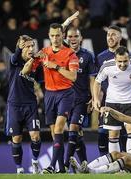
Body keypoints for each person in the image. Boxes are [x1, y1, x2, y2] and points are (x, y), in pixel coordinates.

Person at [31, 23, 79, 174]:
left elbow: (73, 77)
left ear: (62, 36)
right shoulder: (44, 51)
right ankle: (62, 169)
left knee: (59, 128)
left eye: (58, 35)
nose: (55, 38)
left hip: (65, 94)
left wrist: (56, 67)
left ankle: (51, 166)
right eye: (52, 35)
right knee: (55, 134)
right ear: (49, 36)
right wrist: (31, 58)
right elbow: (31, 67)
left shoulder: (70, 54)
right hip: (49, 94)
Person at [93, 46, 131, 156]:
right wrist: (95, 98)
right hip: (112, 103)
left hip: (130, 102)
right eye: (119, 61)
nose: (122, 64)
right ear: (115, 59)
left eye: (125, 61)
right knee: (113, 134)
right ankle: (115, 165)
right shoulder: (107, 66)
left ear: (129, 58)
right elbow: (97, 82)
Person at [96, 25, 131, 156]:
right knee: (104, 133)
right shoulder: (100, 57)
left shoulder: (130, 57)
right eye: (108, 34)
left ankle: (128, 163)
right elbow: (96, 80)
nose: (110, 37)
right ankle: (107, 164)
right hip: (107, 101)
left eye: (114, 34)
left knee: (127, 132)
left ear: (120, 37)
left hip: (127, 101)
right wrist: (95, 98)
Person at [5, 35, 41, 174]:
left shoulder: (36, 65)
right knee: (17, 138)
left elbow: (40, 81)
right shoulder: (14, 61)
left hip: (30, 104)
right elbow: (15, 56)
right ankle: (19, 168)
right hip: (14, 105)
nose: (31, 48)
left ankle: (35, 161)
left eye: (32, 46)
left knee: (35, 136)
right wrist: (18, 48)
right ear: (21, 48)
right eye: (28, 46)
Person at [64, 26, 97, 171]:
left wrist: (94, 97)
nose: (73, 39)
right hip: (65, 99)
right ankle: (84, 163)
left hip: (82, 99)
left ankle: (64, 166)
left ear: (81, 38)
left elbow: (92, 79)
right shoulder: (63, 54)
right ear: (66, 38)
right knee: (77, 133)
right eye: (70, 36)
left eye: (75, 36)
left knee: (74, 127)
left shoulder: (88, 56)